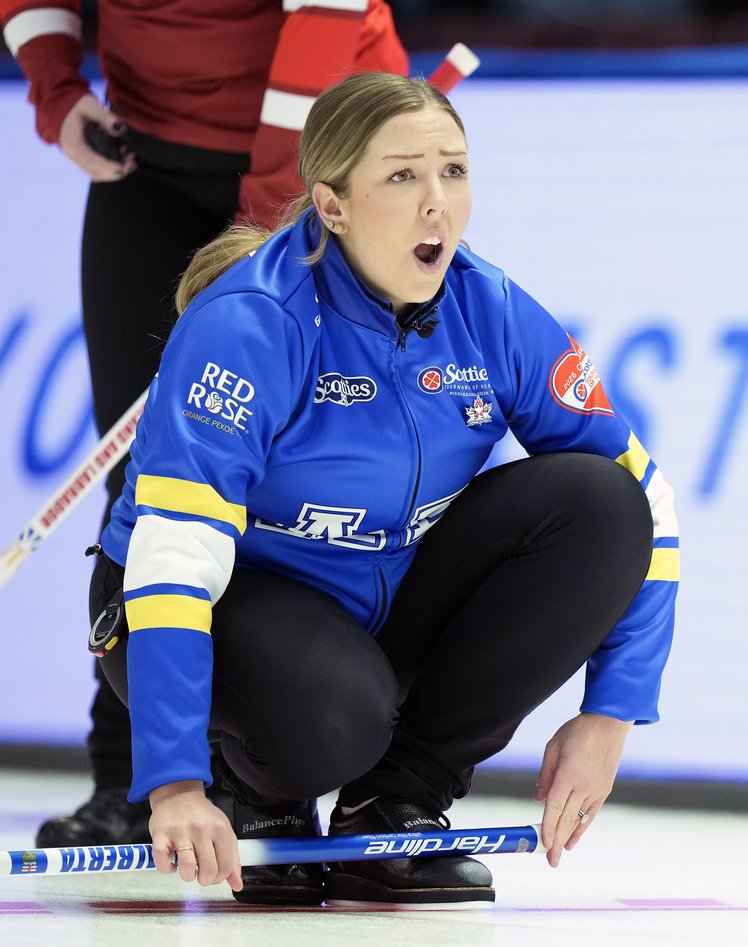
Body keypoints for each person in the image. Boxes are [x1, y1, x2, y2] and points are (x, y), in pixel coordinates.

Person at [87, 70, 680, 907]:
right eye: (403, 175)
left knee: (599, 503)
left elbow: (648, 508)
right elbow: (174, 560)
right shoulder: (250, 325)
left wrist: (612, 713)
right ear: (331, 205)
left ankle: (398, 799)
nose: (437, 202)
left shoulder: (493, 311)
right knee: (342, 714)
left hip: (368, 609)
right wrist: (176, 784)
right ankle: (260, 788)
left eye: (454, 170)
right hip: (201, 605)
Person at [0, 0, 409, 849]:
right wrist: (54, 86)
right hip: (146, 155)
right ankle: (130, 775)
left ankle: (359, 779)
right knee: (145, 477)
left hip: (321, 153)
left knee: (312, 468)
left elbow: (325, 17)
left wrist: (274, 199)